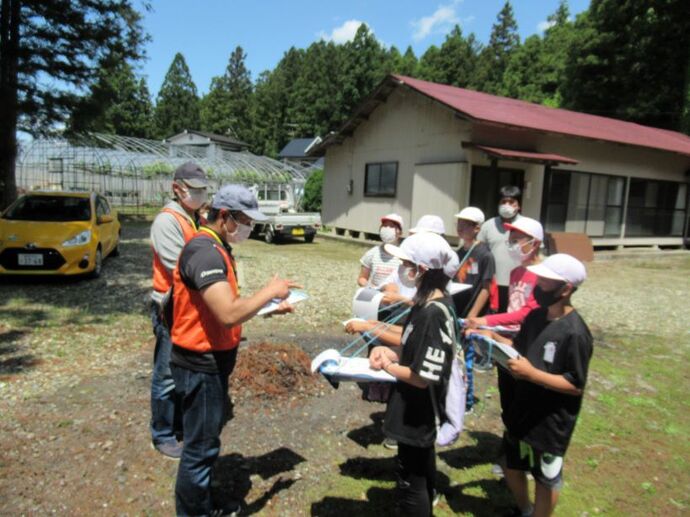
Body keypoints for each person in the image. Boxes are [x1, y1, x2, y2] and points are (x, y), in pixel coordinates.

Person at [170, 184, 297, 516]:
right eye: (244, 220)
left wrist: (267, 305)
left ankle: (202, 501)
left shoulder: (217, 246)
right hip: (200, 363)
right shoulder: (205, 252)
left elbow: (224, 308)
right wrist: (269, 290)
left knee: (206, 443)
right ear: (224, 216)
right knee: (199, 448)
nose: (249, 228)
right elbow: (227, 314)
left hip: (210, 360)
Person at [474, 254, 593, 517]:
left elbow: (575, 384)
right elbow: (519, 350)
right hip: (522, 411)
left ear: (566, 289)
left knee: (545, 477)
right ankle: (525, 509)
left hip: (550, 422)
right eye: (538, 278)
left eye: (545, 281)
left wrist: (532, 375)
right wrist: (493, 338)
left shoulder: (575, 333)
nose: (537, 284)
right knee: (512, 465)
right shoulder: (536, 317)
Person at [368, 231, 460, 516]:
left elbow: (422, 377)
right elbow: (411, 346)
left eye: (405, 263)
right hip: (409, 407)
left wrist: (387, 366)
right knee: (418, 471)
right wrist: (390, 353)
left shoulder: (434, 312)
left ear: (420, 270)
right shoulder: (424, 305)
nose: (401, 270)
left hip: (419, 412)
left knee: (412, 484)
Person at [149, 161, 209, 459]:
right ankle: (162, 433)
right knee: (166, 373)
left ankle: (178, 425)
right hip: (170, 305)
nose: (200, 196)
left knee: (182, 368)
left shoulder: (192, 218)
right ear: (177, 189)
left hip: (187, 304)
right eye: (194, 191)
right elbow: (181, 267)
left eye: (203, 190)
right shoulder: (167, 221)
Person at [466, 216, 544, 332]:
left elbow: (526, 313)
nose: (512, 246)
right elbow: (511, 309)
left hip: (528, 333)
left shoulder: (543, 275)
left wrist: (485, 320)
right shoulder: (515, 272)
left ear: (535, 244)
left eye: (516, 241)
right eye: (510, 242)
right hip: (508, 330)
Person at [478, 186, 524, 313]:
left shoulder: (527, 226)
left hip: (518, 285)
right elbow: (480, 252)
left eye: (511, 202)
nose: (507, 205)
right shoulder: (488, 225)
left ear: (519, 205)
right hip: (493, 284)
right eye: (503, 202)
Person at [453, 207, 497, 319]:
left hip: (472, 313)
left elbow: (486, 288)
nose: (460, 227)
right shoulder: (457, 253)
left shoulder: (485, 255)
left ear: (477, 228)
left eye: (465, 224)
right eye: (458, 223)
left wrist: (472, 314)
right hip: (456, 309)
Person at [357, 214, 404, 289]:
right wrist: (369, 286)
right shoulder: (372, 253)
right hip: (375, 296)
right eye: (384, 226)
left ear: (400, 232)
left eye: (392, 226)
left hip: (396, 297)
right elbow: (362, 278)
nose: (387, 229)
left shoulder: (404, 255)